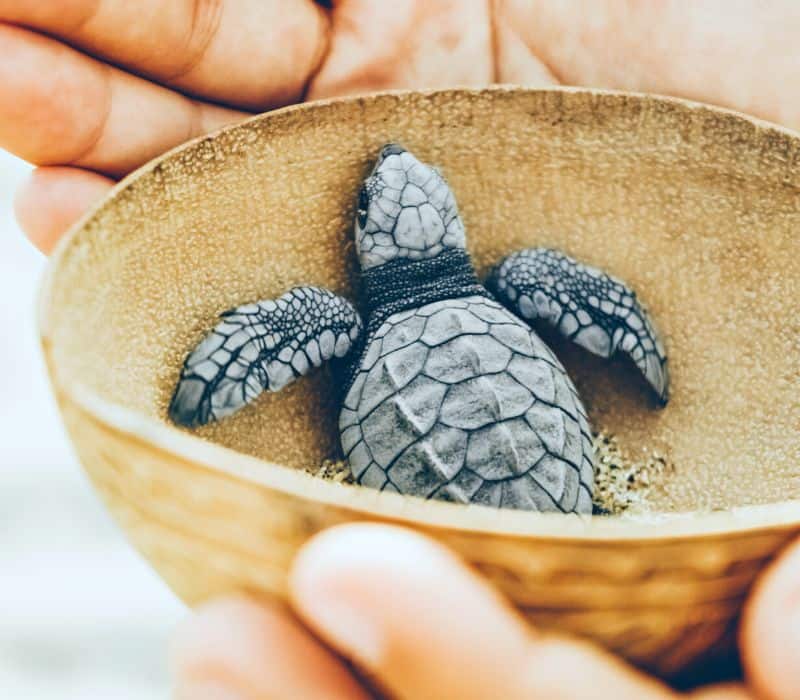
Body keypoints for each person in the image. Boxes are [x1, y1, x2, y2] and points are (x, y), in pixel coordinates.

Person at [3, 2, 798, 697]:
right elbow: (621, 333)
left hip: (435, 525)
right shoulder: (518, 282)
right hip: (572, 499)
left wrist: (205, 386)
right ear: (448, 232)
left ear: (368, 246)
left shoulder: (343, 323)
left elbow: (210, 385)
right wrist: (635, 349)